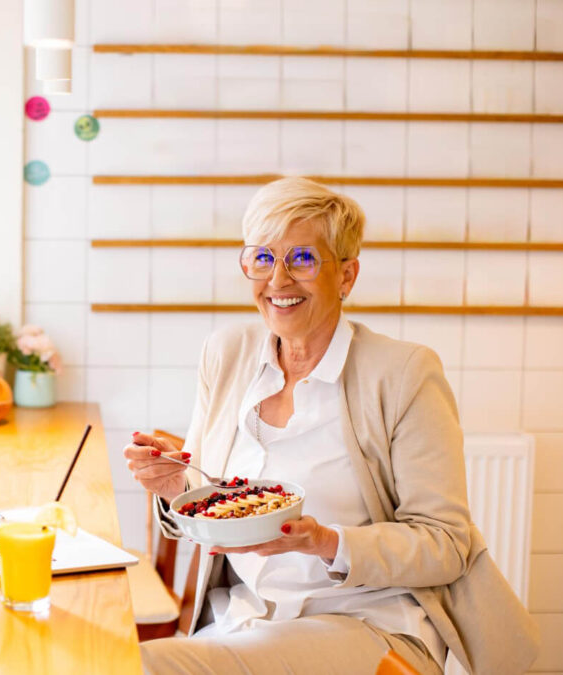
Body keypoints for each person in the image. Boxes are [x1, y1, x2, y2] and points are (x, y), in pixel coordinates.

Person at [124, 177, 539, 675]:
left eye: (301, 259)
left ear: (346, 276)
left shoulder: (403, 373)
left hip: (366, 624)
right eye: (262, 257)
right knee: (118, 660)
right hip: (245, 616)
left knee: (144, 667)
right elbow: (210, 500)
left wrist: (324, 542)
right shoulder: (227, 353)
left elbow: (446, 544)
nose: (277, 280)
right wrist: (177, 487)